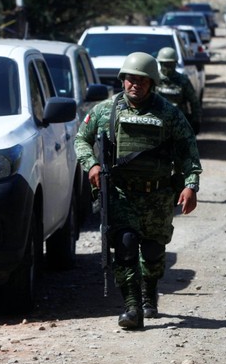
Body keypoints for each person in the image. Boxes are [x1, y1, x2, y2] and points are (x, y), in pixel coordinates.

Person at [74, 52, 202, 330]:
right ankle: (132, 308)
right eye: (130, 79)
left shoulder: (168, 113)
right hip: (121, 193)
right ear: (123, 81)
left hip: (157, 196)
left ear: (152, 83)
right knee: (126, 245)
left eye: (142, 80)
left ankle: (149, 291)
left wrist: (191, 185)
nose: (135, 85)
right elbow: (81, 140)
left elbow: (188, 151)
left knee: (154, 251)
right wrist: (92, 164)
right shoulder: (105, 110)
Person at [155, 47, 202, 135]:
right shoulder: (153, 80)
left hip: (179, 124)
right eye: (165, 64)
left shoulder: (183, 80)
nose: (168, 68)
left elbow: (194, 102)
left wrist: (196, 121)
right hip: (157, 123)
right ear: (160, 63)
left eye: (170, 64)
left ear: (175, 63)